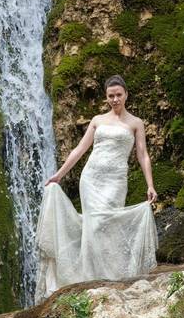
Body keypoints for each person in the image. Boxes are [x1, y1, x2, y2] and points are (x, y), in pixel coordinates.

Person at [34, 74, 158, 304]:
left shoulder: (135, 123)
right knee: (94, 224)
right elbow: (79, 150)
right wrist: (59, 176)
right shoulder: (97, 120)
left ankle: (108, 275)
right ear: (106, 97)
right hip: (91, 179)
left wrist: (150, 184)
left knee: (107, 224)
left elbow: (142, 154)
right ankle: (90, 277)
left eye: (118, 95)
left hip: (116, 180)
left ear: (126, 95)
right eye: (110, 96)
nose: (114, 99)